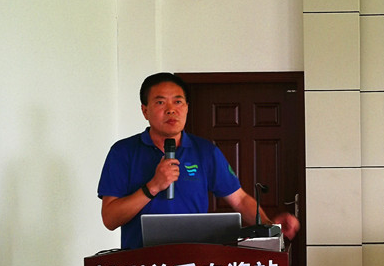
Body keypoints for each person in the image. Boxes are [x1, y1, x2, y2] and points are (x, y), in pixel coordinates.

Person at [97, 72, 300, 249]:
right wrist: (153, 186)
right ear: (145, 111)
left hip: (195, 263)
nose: (171, 109)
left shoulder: (205, 151)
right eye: (160, 102)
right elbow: (110, 219)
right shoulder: (122, 152)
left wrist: (269, 226)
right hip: (140, 265)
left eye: (178, 102)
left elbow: (239, 199)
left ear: (187, 108)